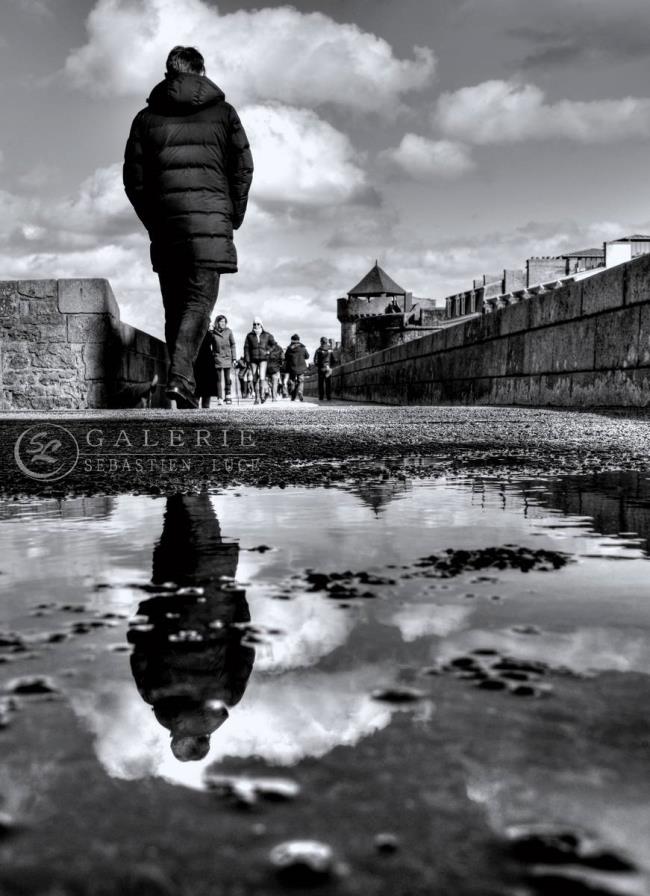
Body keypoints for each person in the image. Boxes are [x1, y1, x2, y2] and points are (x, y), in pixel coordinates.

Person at [123, 46, 253, 410]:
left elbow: (134, 181)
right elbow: (243, 169)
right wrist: (232, 215)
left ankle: (182, 389)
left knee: (176, 309)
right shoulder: (224, 114)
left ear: (169, 73)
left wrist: (155, 220)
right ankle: (181, 381)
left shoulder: (145, 119)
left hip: (167, 226)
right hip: (211, 223)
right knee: (197, 305)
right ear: (201, 72)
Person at [244, 317, 276, 404]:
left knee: (262, 377)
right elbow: (246, 348)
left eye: (258, 324)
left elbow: (274, 344)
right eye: (254, 324)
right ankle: (257, 397)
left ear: (261, 325)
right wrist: (247, 359)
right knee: (254, 377)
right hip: (253, 359)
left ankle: (262, 396)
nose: (256, 326)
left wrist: (269, 351)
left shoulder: (267, 335)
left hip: (263, 358)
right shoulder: (249, 335)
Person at [284, 334, 309, 401]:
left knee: (292, 382)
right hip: (301, 368)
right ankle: (300, 391)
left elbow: (285, 357)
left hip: (292, 368)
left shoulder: (289, 349)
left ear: (292, 340)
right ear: (298, 340)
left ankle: (293, 396)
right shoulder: (303, 348)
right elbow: (307, 356)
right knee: (301, 381)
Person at [314, 336, 335, 401]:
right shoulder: (330, 350)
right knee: (328, 383)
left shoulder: (318, 350)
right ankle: (328, 396)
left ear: (321, 342)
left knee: (321, 383)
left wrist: (319, 365)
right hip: (328, 368)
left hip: (321, 368)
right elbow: (333, 359)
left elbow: (315, 360)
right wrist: (330, 365)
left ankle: (321, 397)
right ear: (327, 342)